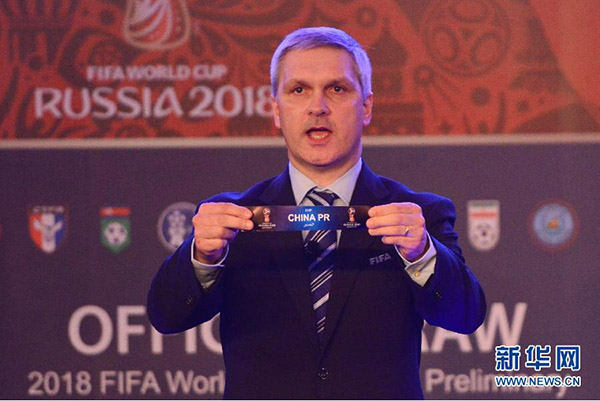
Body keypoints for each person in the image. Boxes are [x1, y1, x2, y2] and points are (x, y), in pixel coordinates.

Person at [147, 26, 486, 399]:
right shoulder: (232, 219)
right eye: (298, 90)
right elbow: (167, 317)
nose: (317, 107)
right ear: (276, 110)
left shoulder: (418, 216)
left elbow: (465, 317)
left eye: (337, 89)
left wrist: (421, 253)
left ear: (366, 106)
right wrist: (202, 257)